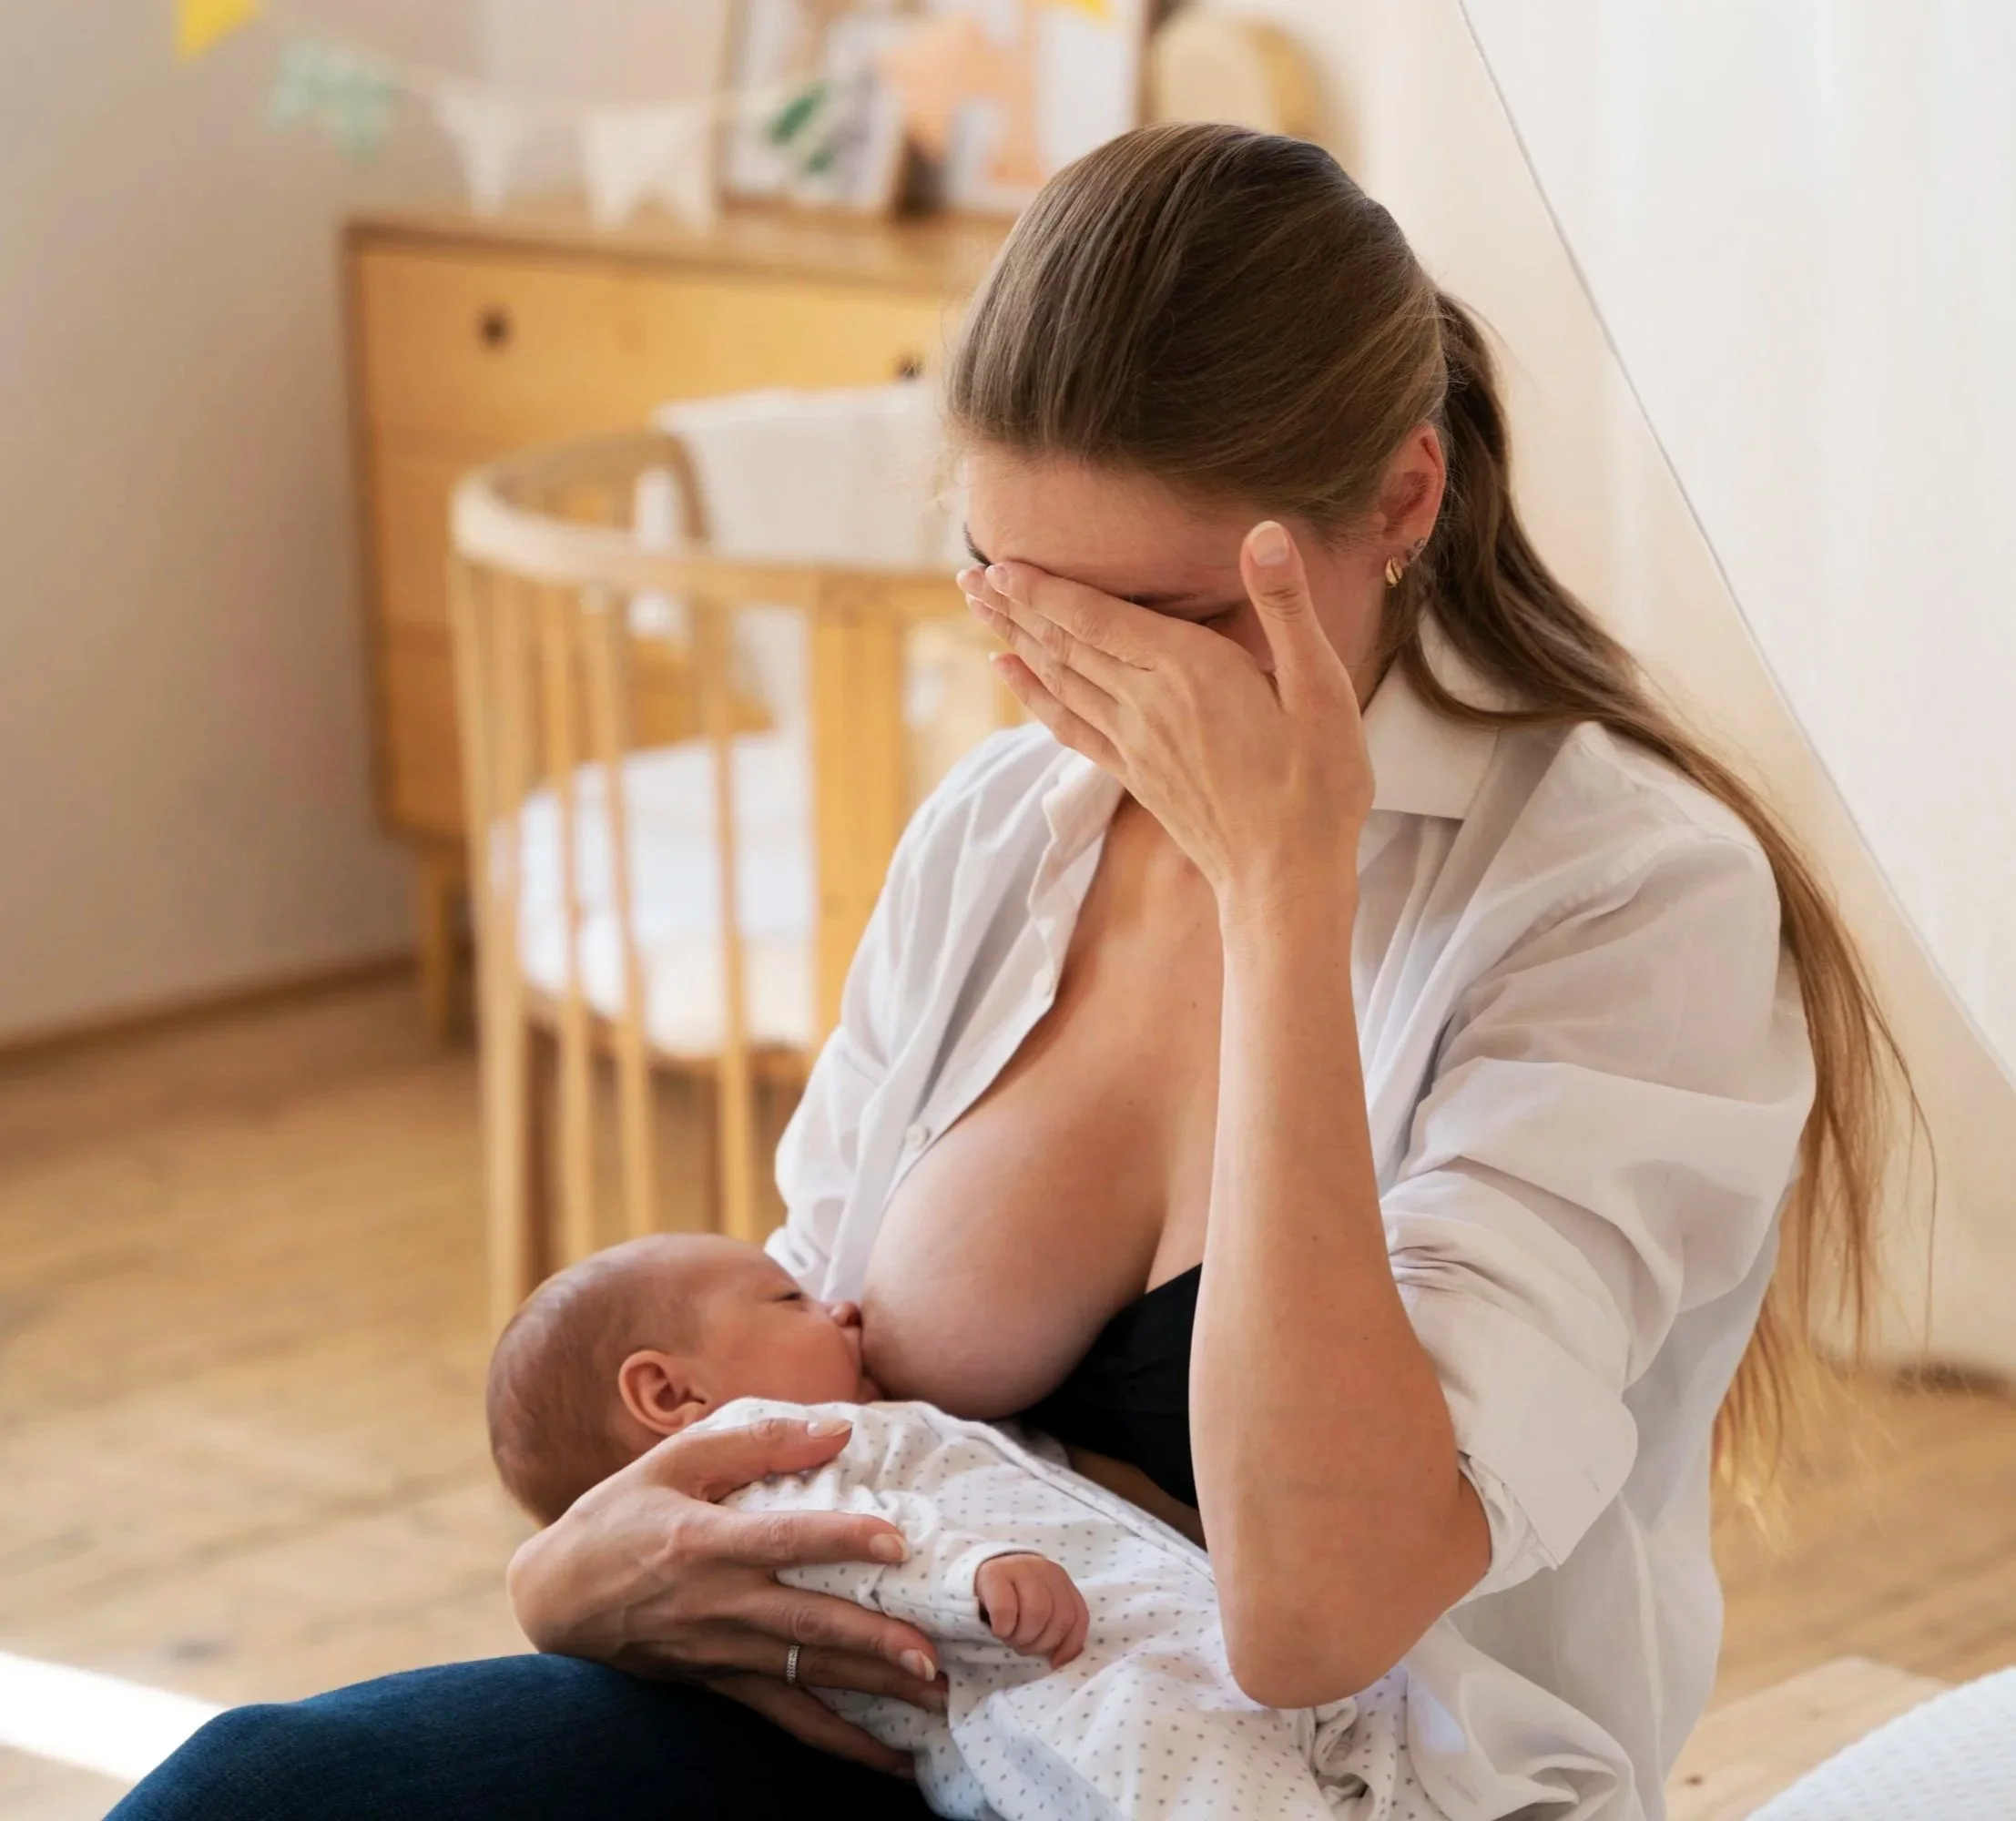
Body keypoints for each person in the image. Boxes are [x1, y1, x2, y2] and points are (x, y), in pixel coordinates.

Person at [114, 122, 1916, 1821]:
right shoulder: (1008, 823)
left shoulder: (1626, 896)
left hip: (1314, 1781)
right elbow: (801, 1381)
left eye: (1173, 625)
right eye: (1014, 593)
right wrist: (573, 1571)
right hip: (930, 1719)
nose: (1080, 690)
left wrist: (1282, 887)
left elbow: (1318, 1613)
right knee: (251, 1790)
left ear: (1403, 501)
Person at [485, 1230, 1491, 1820]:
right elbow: (851, 1546)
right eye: (789, 1295)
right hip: (1055, 1694)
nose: (838, 1304)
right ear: (672, 1392)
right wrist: (970, 1577)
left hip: (1154, 1649)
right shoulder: (757, 1460)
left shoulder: (858, 1426)